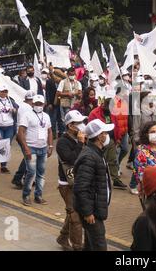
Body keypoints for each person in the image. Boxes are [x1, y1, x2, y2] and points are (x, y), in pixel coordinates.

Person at [73, 119, 113, 251]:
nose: (107, 136)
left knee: (90, 245)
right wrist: (88, 212)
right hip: (91, 211)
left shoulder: (96, 153)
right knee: (99, 244)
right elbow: (81, 187)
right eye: (105, 133)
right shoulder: (90, 156)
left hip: (95, 208)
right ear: (100, 136)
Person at [56, 110, 87, 251]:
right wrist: (81, 143)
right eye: (78, 123)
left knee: (72, 212)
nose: (82, 126)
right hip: (67, 184)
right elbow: (72, 159)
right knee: (75, 217)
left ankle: (63, 237)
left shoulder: (80, 138)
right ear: (70, 126)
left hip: (79, 181)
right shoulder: (62, 142)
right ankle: (77, 246)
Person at [17, 95, 53, 206]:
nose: (38, 106)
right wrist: (26, 148)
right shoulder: (27, 115)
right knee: (31, 172)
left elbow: (50, 131)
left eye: (40, 104)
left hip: (42, 148)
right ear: (33, 104)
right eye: (36, 103)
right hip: (31, 147)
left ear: (44, 104)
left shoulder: (46, 116)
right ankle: (26, 195)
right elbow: (21, 132)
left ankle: (38, 195)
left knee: (41, 173)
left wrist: (50, 146)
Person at [88, 95, 128, 189]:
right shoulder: (94, 113)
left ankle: (115, 179)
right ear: (104, 105)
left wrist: (117, 138)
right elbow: (91, 128)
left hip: (111, 140)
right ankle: (98, 180)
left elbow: (116, 125)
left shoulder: (113, 112)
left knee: (113, 160)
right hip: (98, 141)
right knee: (100, 161)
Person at [0, 85, 19, 174]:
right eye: (2, 91)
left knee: (7, 145)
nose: (4, 93)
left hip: (9, 126)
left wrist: (15, 111)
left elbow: (17, 109)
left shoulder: (11, 101)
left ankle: (3, 165)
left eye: (5, 91)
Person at [11, 91, 34, 189]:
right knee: (28, 158)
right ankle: (18, 178)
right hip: (24, 136)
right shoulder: (27, 108)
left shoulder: (23, 106)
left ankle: (26, 177)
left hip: (23, 135)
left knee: (28, 158)